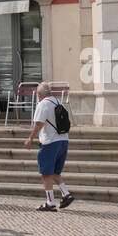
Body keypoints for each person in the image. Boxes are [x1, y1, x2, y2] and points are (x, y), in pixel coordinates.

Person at [23, 82, 74, 211]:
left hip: (50, 142)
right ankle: (66, 194)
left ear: (39, 94)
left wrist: (30, 139)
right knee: (55, 172)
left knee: (46, 173)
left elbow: (38, 124)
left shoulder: (43, 104)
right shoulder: (58, 102)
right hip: (63, 140)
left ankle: (50, 203)